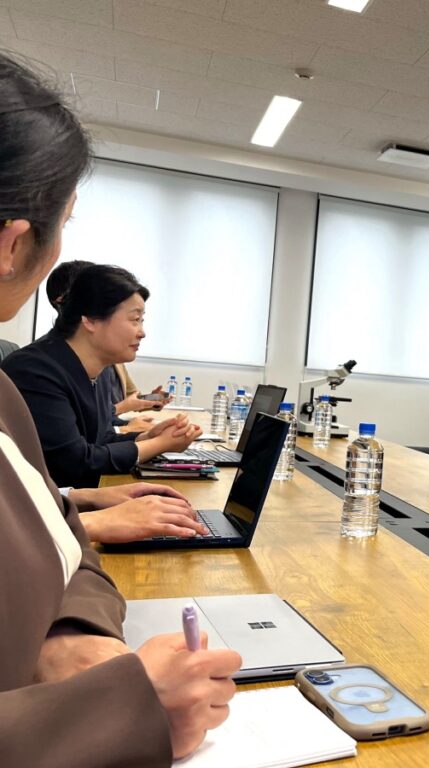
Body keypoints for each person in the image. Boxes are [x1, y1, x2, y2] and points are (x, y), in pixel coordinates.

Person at [0, 51, 239, 766]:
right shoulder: (26, 376)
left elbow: (65, 543)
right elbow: (69, 505)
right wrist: (108, 708)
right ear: (15, 243)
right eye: (64, 222)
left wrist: (69, 639)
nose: (140, 332)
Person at [2, 263, 201, 488]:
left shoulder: (101, 369)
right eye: (134, 319)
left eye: (142, 320)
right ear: (90, 319)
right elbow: (74, 462)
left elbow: (101, 439)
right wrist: (160, 445)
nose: (142, 332)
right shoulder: (35, 370)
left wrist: (147, 437)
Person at [46, 259, 169, 426]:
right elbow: (84, 436)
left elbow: (101, 432)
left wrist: (149, 405)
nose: (142, 333)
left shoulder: (107, 360)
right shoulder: (48, 367)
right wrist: (131, 429)